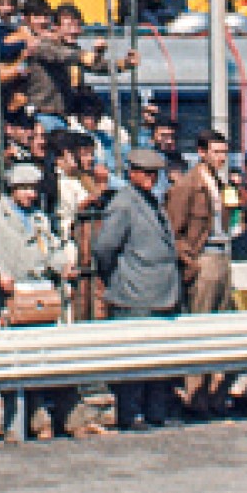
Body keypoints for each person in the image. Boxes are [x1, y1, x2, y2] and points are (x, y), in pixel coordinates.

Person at [92, 144, 183, 429]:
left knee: (158, 359)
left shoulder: (151, 202)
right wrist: (115, 278)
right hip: (134, 292)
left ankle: (156, 411)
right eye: (146, 173)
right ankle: (131, 415)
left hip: (160, 293)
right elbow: (105, 247)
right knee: (134, 358)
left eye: (155, 174)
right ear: (132, 173)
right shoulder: (123, 203)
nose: (152, 179)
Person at [0, 160, 78, 438]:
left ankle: (47, 418)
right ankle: (17, 424)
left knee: (43, 359)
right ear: (12, 188)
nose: (30, 194)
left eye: (33, 189)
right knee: (14, 364)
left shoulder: (39, 219)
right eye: (24, 188)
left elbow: (50, 248)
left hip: (40, 296)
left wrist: (62, 264)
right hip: (11, 297)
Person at [168, 130, 235, 413]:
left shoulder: (220, 182)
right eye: (216, 152)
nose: (221, 158)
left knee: (221, 328)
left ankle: (215, 396)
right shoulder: (188, 185)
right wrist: (189, 261)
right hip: (204, 256)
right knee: (200, 327)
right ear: (202, 152)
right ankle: (196, 396)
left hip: (223, 255)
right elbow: (175, 229)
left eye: (223, 152)